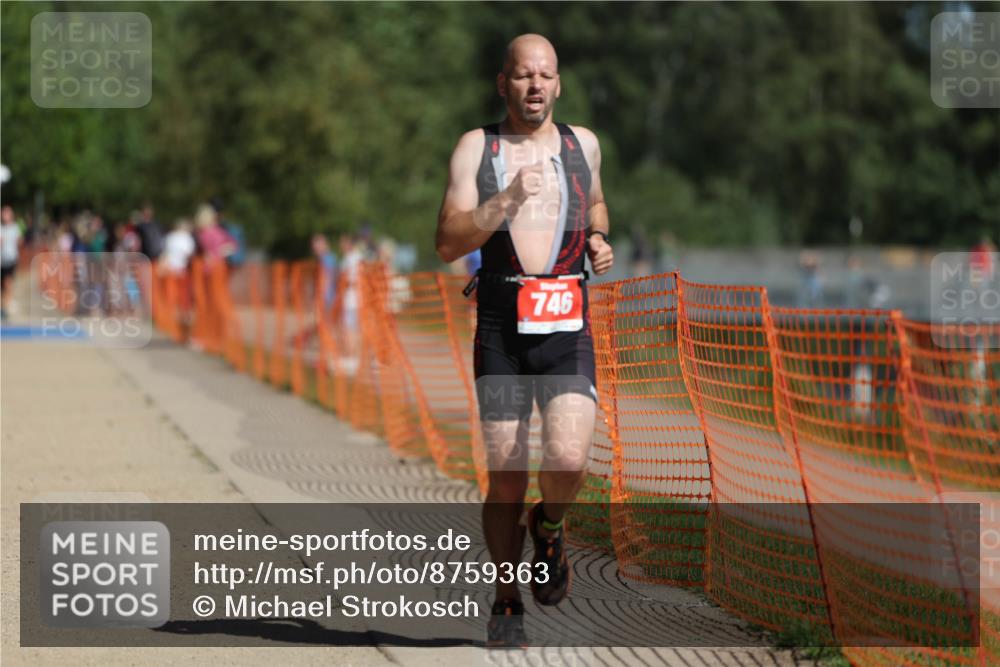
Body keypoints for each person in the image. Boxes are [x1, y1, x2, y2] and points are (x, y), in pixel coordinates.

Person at [435, 33, 614, 647]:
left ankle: (552, 524)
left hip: (566, 326)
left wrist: (596, 237)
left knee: (567, 459)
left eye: (545, 76)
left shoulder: (581, 145)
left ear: (558, 84)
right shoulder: (476, 148)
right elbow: (448, 240)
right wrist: (506, 199)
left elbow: (595, 204)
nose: (535, 86)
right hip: (502, 331)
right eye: (522, 75)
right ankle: (507, 598)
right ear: (502, 82)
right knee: (507, 477)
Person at [1, 205, 23, 320]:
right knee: (3, 285)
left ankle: (6, 307)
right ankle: (4, 304)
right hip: (1, 260)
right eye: (3, 213)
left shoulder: (15, 227)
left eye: (7, 213)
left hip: (11, 259)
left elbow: (20, 241)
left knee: (7, 283)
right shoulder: (1, 228)